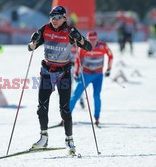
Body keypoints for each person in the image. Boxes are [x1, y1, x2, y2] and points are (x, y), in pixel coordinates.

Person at [28, 6, 92, 154]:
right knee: (41, 107)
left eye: (57, 17)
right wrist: (33, 42)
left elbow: (88, 47)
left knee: (64, 110)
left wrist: (79, 38)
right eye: (52, 17)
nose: (54, 20)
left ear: (64, 18)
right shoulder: (45, 29)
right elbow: (31, 48)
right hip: (46, 72)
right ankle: (43, 138)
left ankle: (69, 140)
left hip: (63, 73)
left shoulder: (70, 31)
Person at [69, 31, 113, 126]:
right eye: (90, 40)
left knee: (96, 96)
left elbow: (110, 55)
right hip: (86, 74)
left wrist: (109, 69)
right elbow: (77, 59)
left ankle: (97, 118)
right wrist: (76, 72)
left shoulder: (103, 46)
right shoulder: (84, 47)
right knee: (76, 95)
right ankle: (66, 117)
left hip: (98, 75)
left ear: (97, 39)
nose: (92, 42)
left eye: (94, 40)